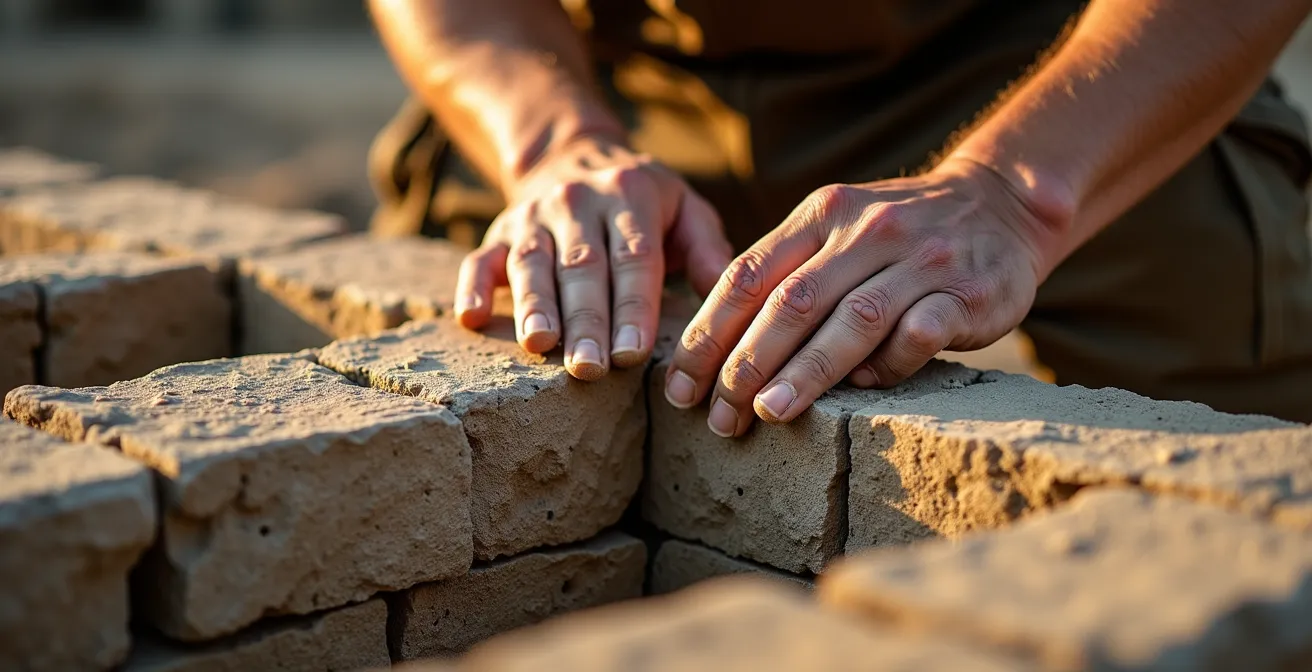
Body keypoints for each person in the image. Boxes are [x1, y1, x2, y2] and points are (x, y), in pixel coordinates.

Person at [368, 0, 1312, 429]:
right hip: (606, 67)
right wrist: (552, 146)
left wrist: (1019, 194)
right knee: (491, 340)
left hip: (1042, 63)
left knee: (1230, 467)